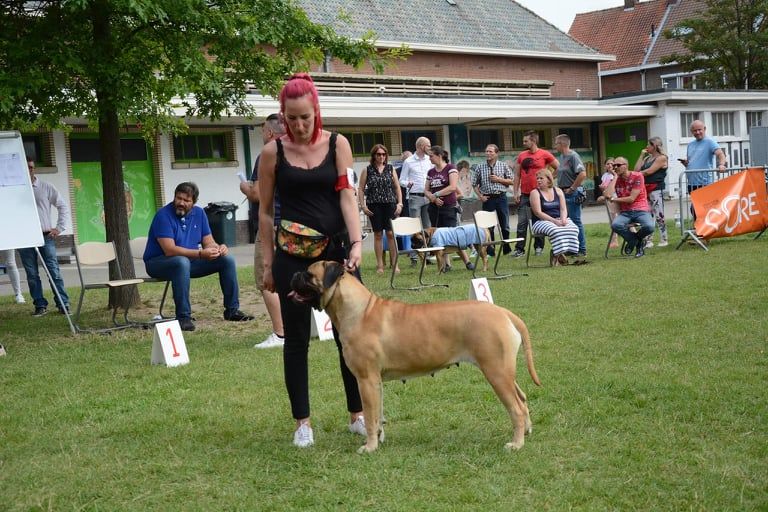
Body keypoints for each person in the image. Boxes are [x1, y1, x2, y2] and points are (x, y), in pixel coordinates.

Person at [258, 73, 365, 448]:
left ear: (316, 110)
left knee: (350, 336)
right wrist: (270, 264)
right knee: (296, 339)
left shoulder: (338, 145)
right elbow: (267, 212)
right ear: (283, 116)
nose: (300, 125)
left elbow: (348, 197)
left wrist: (355, 243)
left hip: (337, 256)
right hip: (293, 259)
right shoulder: (273, 153)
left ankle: (358, 414)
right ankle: (302, 422)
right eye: (292, 118)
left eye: (305, 117)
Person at [143, 181, 254, 332]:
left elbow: (208, 241)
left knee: (227, 259)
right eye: (178, 198)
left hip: (188, 262)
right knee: (181, 263)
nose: (181, 203)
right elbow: (169, 250)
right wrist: (201, 253)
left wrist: (218, 248)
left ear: (194, 202)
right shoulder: (163, 215)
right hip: (158, 263)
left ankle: (232, 310)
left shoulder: (199, 213)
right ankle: (183, 318)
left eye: (186, 200)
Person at [240, 113, 286, 348]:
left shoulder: (267, 154)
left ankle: (279, 334)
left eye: (262, 132)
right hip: (293, 224)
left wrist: (244, 187)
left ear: (269, 132)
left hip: (271, 224)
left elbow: (257, 194)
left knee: (265, 278)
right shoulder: (295, 153)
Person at [18, 157, 70, 317]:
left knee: (53, 271)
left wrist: (59, 228)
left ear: (34, 168)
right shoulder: (16, 190)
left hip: (45, 236)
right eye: (26, 167)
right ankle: (40, 305)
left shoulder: (46, 187)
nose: (29, 170)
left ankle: (63, 303)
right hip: (24, 238)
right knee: (32, 274)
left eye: (31, 167)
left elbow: (62, 206)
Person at [358, 144, 402, 274]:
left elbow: (397, 187)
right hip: (374, 205)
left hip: (390, 204)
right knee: (377, 234)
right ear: (374, 156)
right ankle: (380, 265)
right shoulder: (367, 170)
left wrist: (400, 203)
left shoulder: (390, 168)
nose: (381, 156)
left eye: (384, 154)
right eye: (378, 154)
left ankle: (395, 264)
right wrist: (363, 205)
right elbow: (360, 188)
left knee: (390, 233)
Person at [513, 131, 558, 257]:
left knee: (539, 221)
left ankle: (539, 247)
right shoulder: (521, 155)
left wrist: (549, 180)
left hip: (539, 194)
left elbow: (558, 167)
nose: (523, 143)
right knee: (522, 222)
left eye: (526, 141)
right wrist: (516, 192)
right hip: (525, 194)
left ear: (533, 141)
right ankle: (519, 249)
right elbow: (517, 175)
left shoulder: (544, 154)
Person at [602, 157, 655, 258]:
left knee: (649, 227)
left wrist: (613, 199)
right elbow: (607, 194)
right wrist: (615, 177)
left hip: (641, 210)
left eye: (618, 165)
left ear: (626, 166)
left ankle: (635, 241)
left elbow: (631, 199)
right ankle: (636, 242)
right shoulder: (616, 179)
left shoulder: (637, 176)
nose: (615, 167)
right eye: (614, 166)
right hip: (626, 212)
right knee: (615, 225)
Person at [680, 120, 727, 221]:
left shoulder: (710, 142)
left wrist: (722, 164)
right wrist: (686, 163)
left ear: (704, 129)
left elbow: (720, 154)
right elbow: (692, 161)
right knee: (696, 208)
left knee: (698, 208)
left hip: (704, 182)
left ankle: (704, 229)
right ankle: (701, 228)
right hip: (692, 183)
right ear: (691, 132)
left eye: (699, 130)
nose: (697, 132)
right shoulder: (690, 145)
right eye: (694, 131)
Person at [530, 169, 580, 265]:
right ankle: (557, 254)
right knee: (555, 230)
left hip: (559, 219)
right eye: (537, 179)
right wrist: (554, 221)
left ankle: (559, 253)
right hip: (540, 222)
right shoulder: (535, 193)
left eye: (541, 178)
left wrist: (564, 219)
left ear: (549, 179)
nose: (538, 180)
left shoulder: (558, 191)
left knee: (574, 228)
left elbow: (563, 209)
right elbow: (538, 213)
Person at [472, 144, 515, 256]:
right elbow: (474, 184)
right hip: (488, 198)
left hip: (501, 197)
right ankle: (491, 250)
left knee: (504, 224)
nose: (488, 153)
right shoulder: (480, 167)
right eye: (486, 151)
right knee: (488, 226)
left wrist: (499, 179)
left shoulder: (503, 166)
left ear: (496, 153)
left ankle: (506, 247)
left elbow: (512, 181)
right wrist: (480, 196)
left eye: (490, 151)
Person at [399, 138, 432, 265]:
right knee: (415, 227)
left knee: (427, 226)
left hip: (427, 196)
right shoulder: (408, 161)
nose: (429, 147)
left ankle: (427, 254)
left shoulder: (429, 160)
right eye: (428, 145)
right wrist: (408, 183)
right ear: (421, 146)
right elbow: (402, 180)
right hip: (415, 197)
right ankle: (414, 255)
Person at [554, 134, 587, 257]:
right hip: (563, 193)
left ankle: (581, 249)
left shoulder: (573, 156)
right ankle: (573, 248)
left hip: (571, 193)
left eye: (556, 143)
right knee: (568, 222)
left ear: (562, 144)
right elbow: (559, 171)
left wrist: (573, 188)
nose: (555, 146)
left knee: (575, 220)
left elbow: (582, 174)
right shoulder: (562, 157)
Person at [634, 137, 669, 248]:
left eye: (648, 145)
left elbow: (649, 171)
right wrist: (641, 156)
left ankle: (664, 238)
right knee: (648, 215)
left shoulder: (662, 158)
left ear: (654, 146)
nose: (646, 147)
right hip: (646, 189)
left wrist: (637, 175)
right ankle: (649, 240)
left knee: (659, 214)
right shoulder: (647, 158)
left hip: (656, 188)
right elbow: (636, 169)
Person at [425, 145, 460, 228]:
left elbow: (453, 187)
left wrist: (436, 194)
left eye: (431, 156)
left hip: (449, 208)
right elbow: (426, 190)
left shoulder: (451, 167)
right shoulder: (430, 172)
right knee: (436, 233)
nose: (429, 158)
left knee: (450, 234)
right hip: (434, 208)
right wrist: (433, 198)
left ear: (439, 156)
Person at [598, 158, 619, 248]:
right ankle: (615, 240)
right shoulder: (605, 176)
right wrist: (602, 188)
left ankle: (633, 234)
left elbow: (613, 188)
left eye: (611, 163)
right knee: (612, 220)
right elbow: (605, 188)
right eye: (607, 164)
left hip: (615, 198)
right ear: (605, 166)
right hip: (608, 199)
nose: (609, 165)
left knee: (618, 219)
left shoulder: (616, 175)